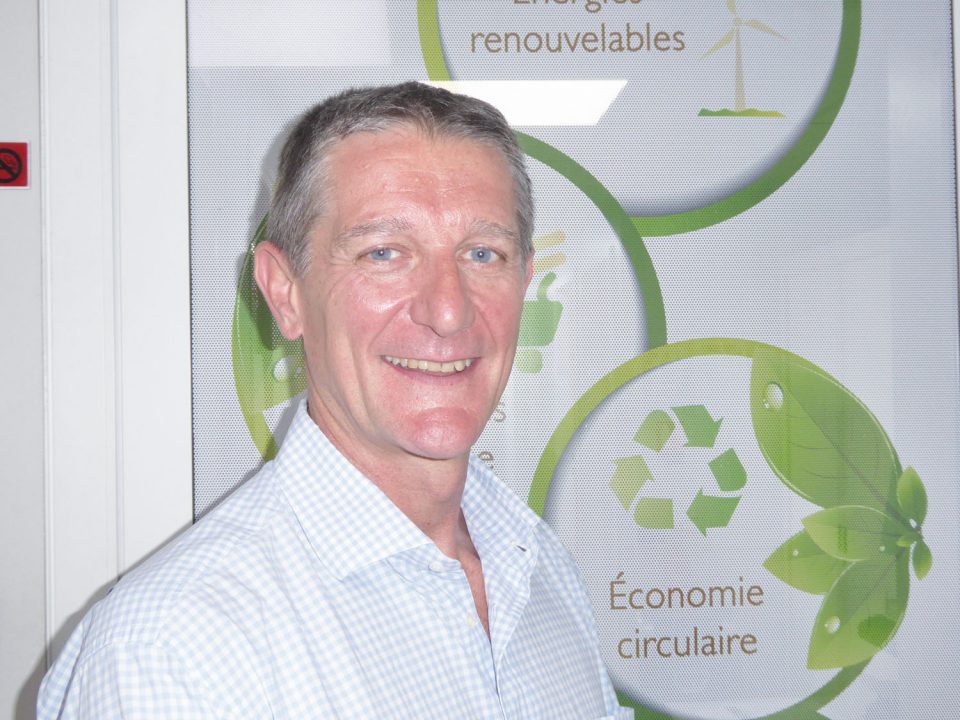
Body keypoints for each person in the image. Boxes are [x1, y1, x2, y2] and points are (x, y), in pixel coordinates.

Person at [38, 82, 631, 719]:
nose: (449, 310)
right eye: (384, 253)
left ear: (524, 280)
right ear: (284, 293)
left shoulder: (540, 568)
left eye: (483, 254)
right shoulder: (173, 651)